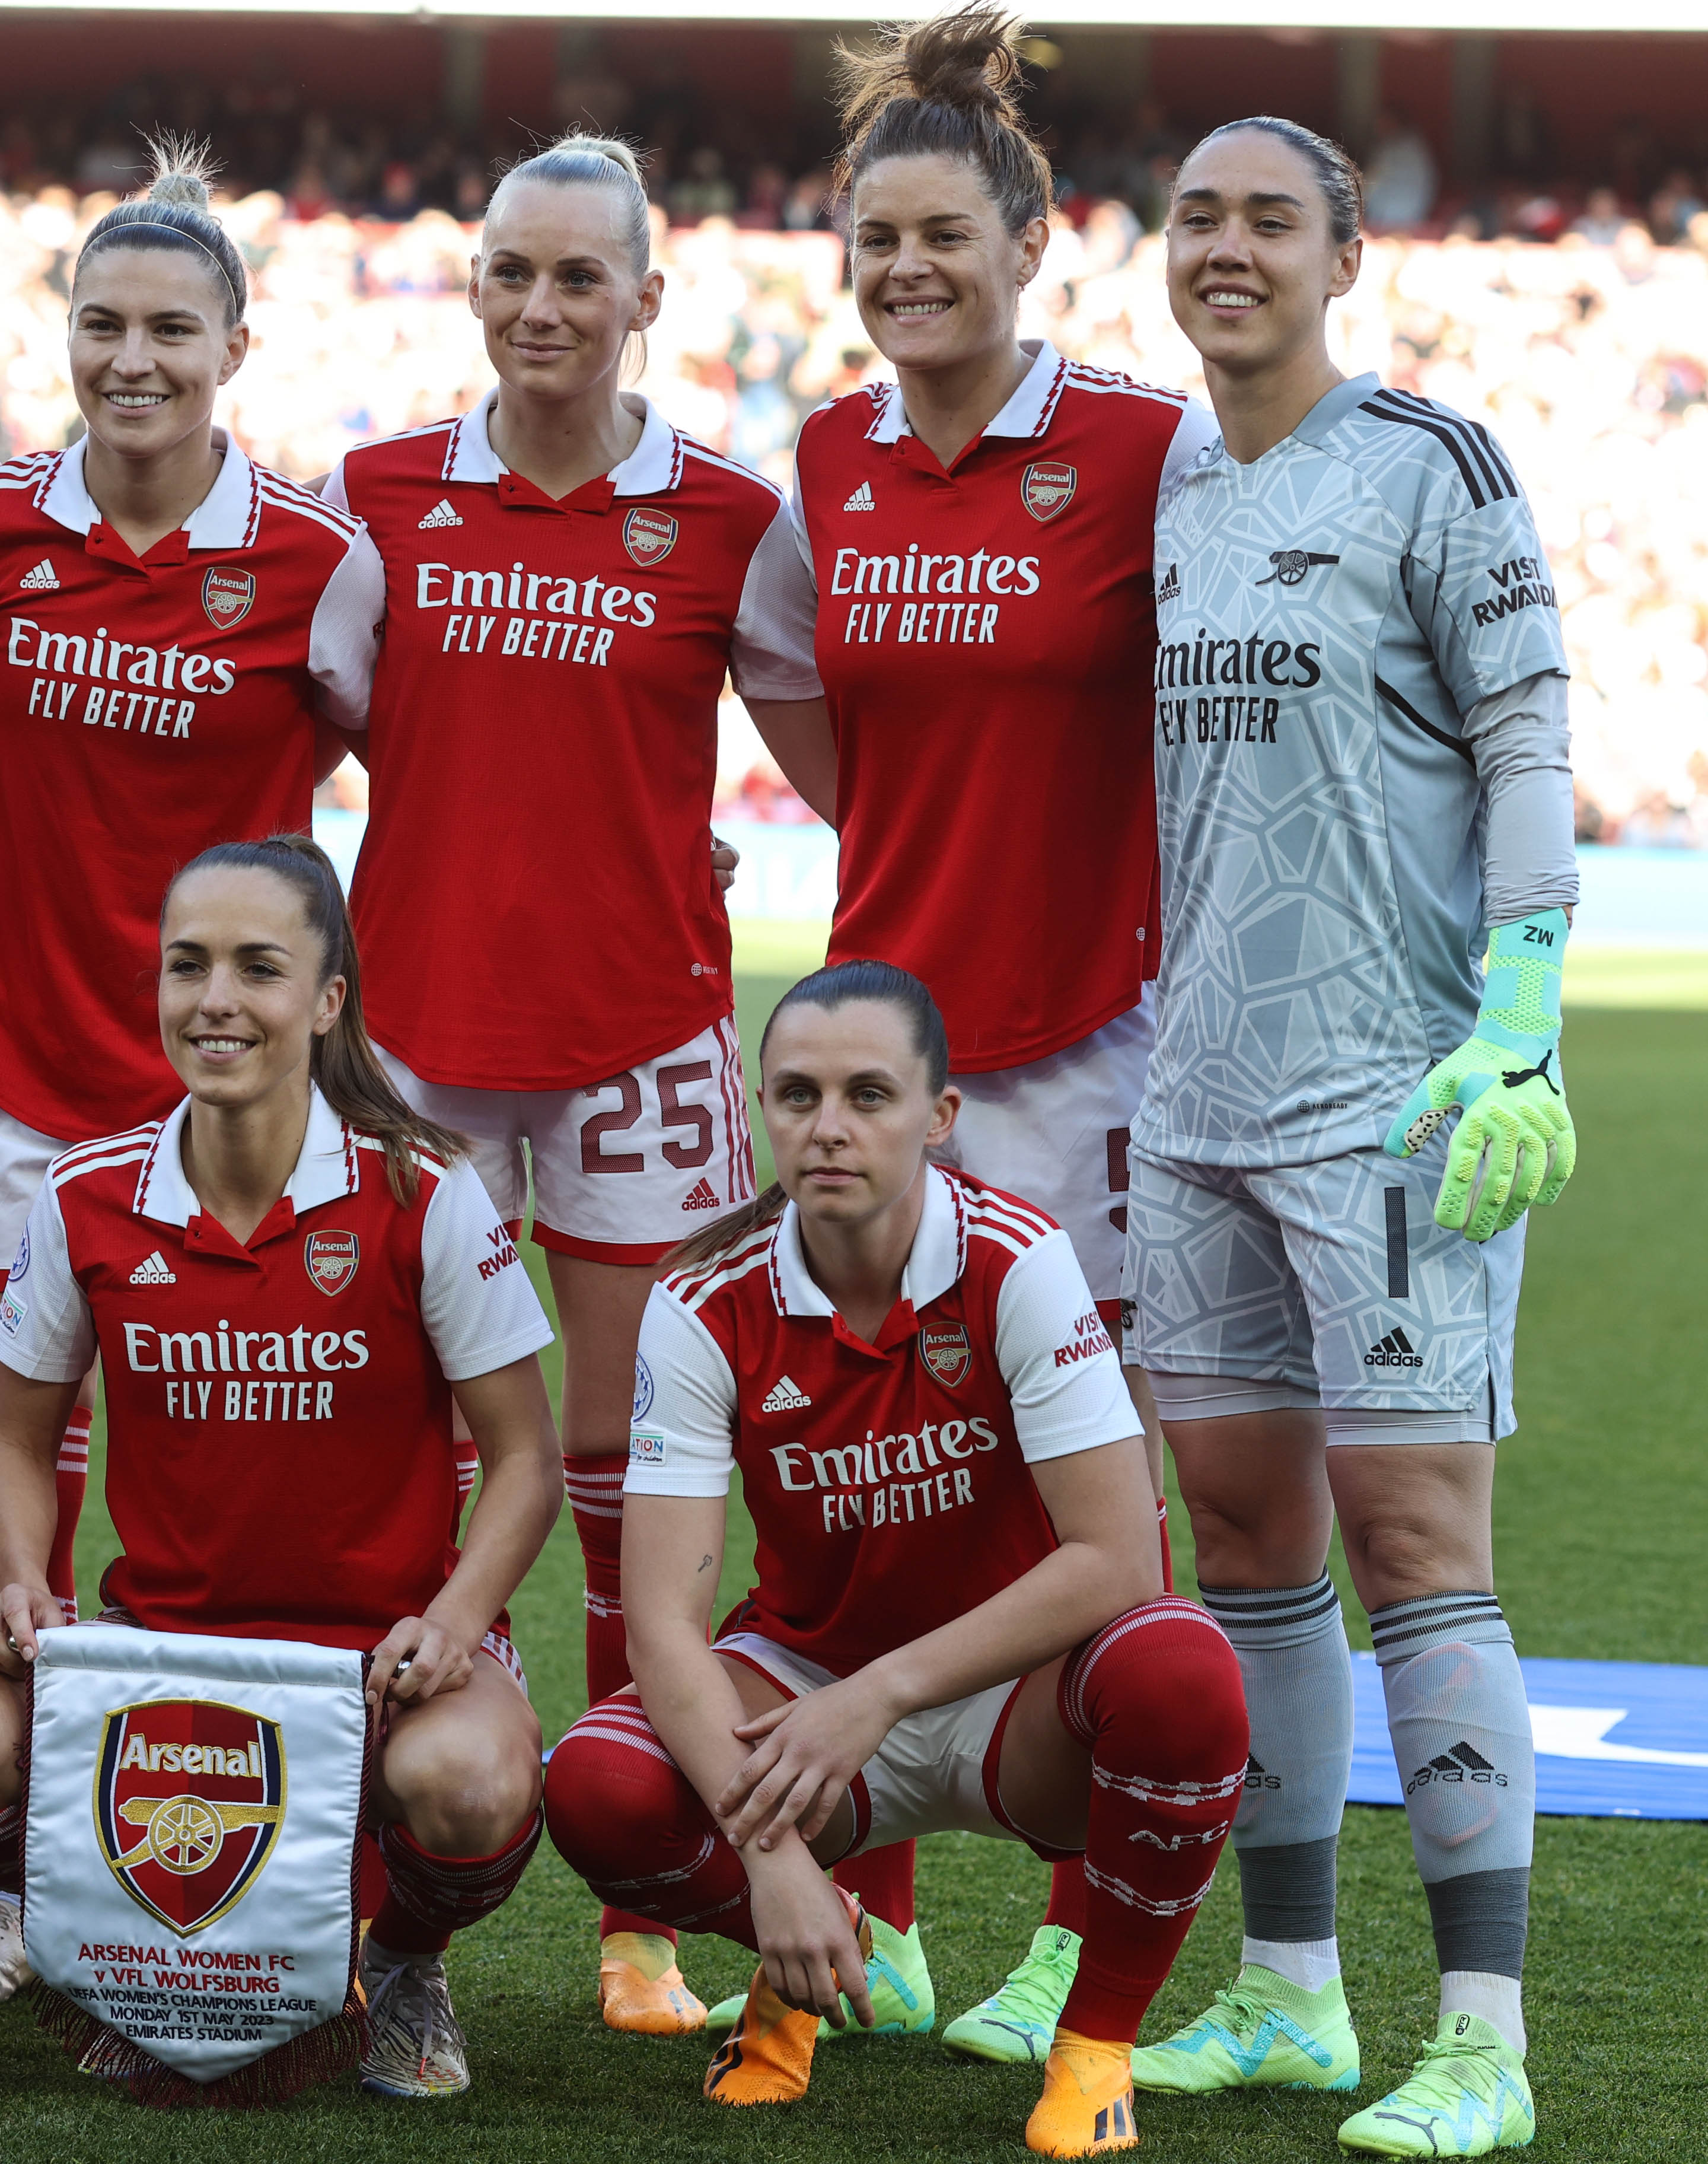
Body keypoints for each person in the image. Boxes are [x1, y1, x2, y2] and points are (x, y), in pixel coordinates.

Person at [753, 3, 1223, 2061]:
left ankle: (1066, 1931)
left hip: (1090, 1051)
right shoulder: (828, 460)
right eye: (875, 241)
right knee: (872, 1485)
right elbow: (803, 710)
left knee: (1074, 1499)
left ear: (1033, 245)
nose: (905, 270)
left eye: (943, 235)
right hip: (883, 1058)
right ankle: (883, 1909)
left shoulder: (1137, 444)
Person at [324, 129, 823, 2038]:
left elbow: (838, 756)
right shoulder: (379, 502)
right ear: (476, 293)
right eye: (512, 275)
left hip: (638, 1051)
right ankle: (388, 1898)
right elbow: (320, 731)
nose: (543, 309)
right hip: (426, 1051)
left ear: (647, 298)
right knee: (414, 1475)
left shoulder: (725, 516)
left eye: (578, 278)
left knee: (636, 1487)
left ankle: (641, 1905)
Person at [1129, 117, 1575, 2158]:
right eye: (1198, 216)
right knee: (1241, 1544)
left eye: (1268, 220)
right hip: (1197, 1091)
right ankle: (1292, 1992)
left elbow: (1529, 734)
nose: (1228, 248)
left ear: (1345, 255)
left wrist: (1522, 1020)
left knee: (1414, 1539)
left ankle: (1479, 2032)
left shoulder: (1433, 462)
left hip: (1392, 1099)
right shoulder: (1175, 475)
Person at [0, 147, 384, 2000]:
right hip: (21, 1067)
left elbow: (419, 772)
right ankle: (24, 1881)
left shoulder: (318, 563)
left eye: (172, 327)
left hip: (230, 1098)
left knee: (229, 1455)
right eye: (103, 323)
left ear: (236, 346)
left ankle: (260, 1836)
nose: (134, 357)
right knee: (11, 1448)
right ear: (67, 336)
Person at [0, 838, 560, 2101]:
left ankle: (406, 1967)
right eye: (187, 966)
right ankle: (110, 1949)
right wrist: (22, 1581)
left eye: (260, 968)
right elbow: (20, 1440)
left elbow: (524, 1457)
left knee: (465, 1785)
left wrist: (457, 1622)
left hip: (382, 1666)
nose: (216, 1001)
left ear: (326, 1000)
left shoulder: (424, 1189)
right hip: (166, 1662)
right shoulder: (85, 1196)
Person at [542, 961, 1248, 2158]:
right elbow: (663, 1618)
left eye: (869, 1095)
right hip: (807, 1691)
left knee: (1182, 1670)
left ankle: (1095, 2050)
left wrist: (879, 1696)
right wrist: (772, 1861)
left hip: (1015, 1703)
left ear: (940, 1117)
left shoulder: (1016, 1257)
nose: (829, 1127)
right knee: (599, 1786)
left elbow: (1120, 1556)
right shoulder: (702, 1296)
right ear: (761, 1109)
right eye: (797, 1095)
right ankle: (828, 1943)